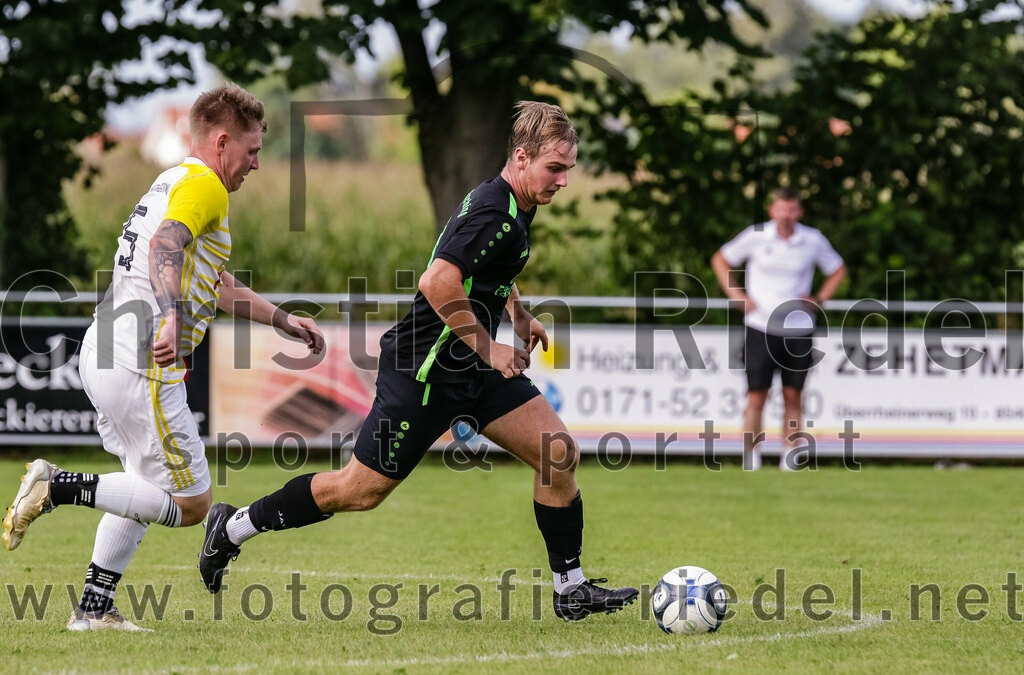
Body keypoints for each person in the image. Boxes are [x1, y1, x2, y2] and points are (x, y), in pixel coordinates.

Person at [198, 101, 638, 622]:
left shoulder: (516, 207)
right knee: (357, 492)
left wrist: (518, 314)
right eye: (555, 168)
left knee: (557, 452)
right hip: (423, 374)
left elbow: (489, 269)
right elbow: (437, 282)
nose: (563, 180)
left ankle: (571, 589)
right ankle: (231, 528)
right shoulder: (497, 210)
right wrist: (490, 347)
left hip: (472, 371)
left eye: (568, 168)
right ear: (522, 158)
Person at [1, 84, 324, 631]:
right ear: (221, 142)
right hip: (141, 363)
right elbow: (165, 246)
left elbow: (214, 282)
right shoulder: (206, 188)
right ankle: (55, 486)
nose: (257, 163)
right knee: (193, 504)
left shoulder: (173, 179)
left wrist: (283, 320)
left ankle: (94, 609)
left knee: (142, 484)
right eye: (251, 150)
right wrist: (172, 313)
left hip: (105, 351)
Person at [711, 187, 846, 470]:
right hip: (760, 326)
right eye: (781, 209)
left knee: (792, 394)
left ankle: (790, 455)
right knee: (756, 395)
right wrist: (737, 295)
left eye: (792, 209)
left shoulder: (811, 240)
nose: (786, 215)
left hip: (798, 329)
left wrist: (819, 299)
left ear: (799, 212)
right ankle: (751, 455)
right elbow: (721, 259)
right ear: (772, 210)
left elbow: (837, 269)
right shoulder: (756, 236)